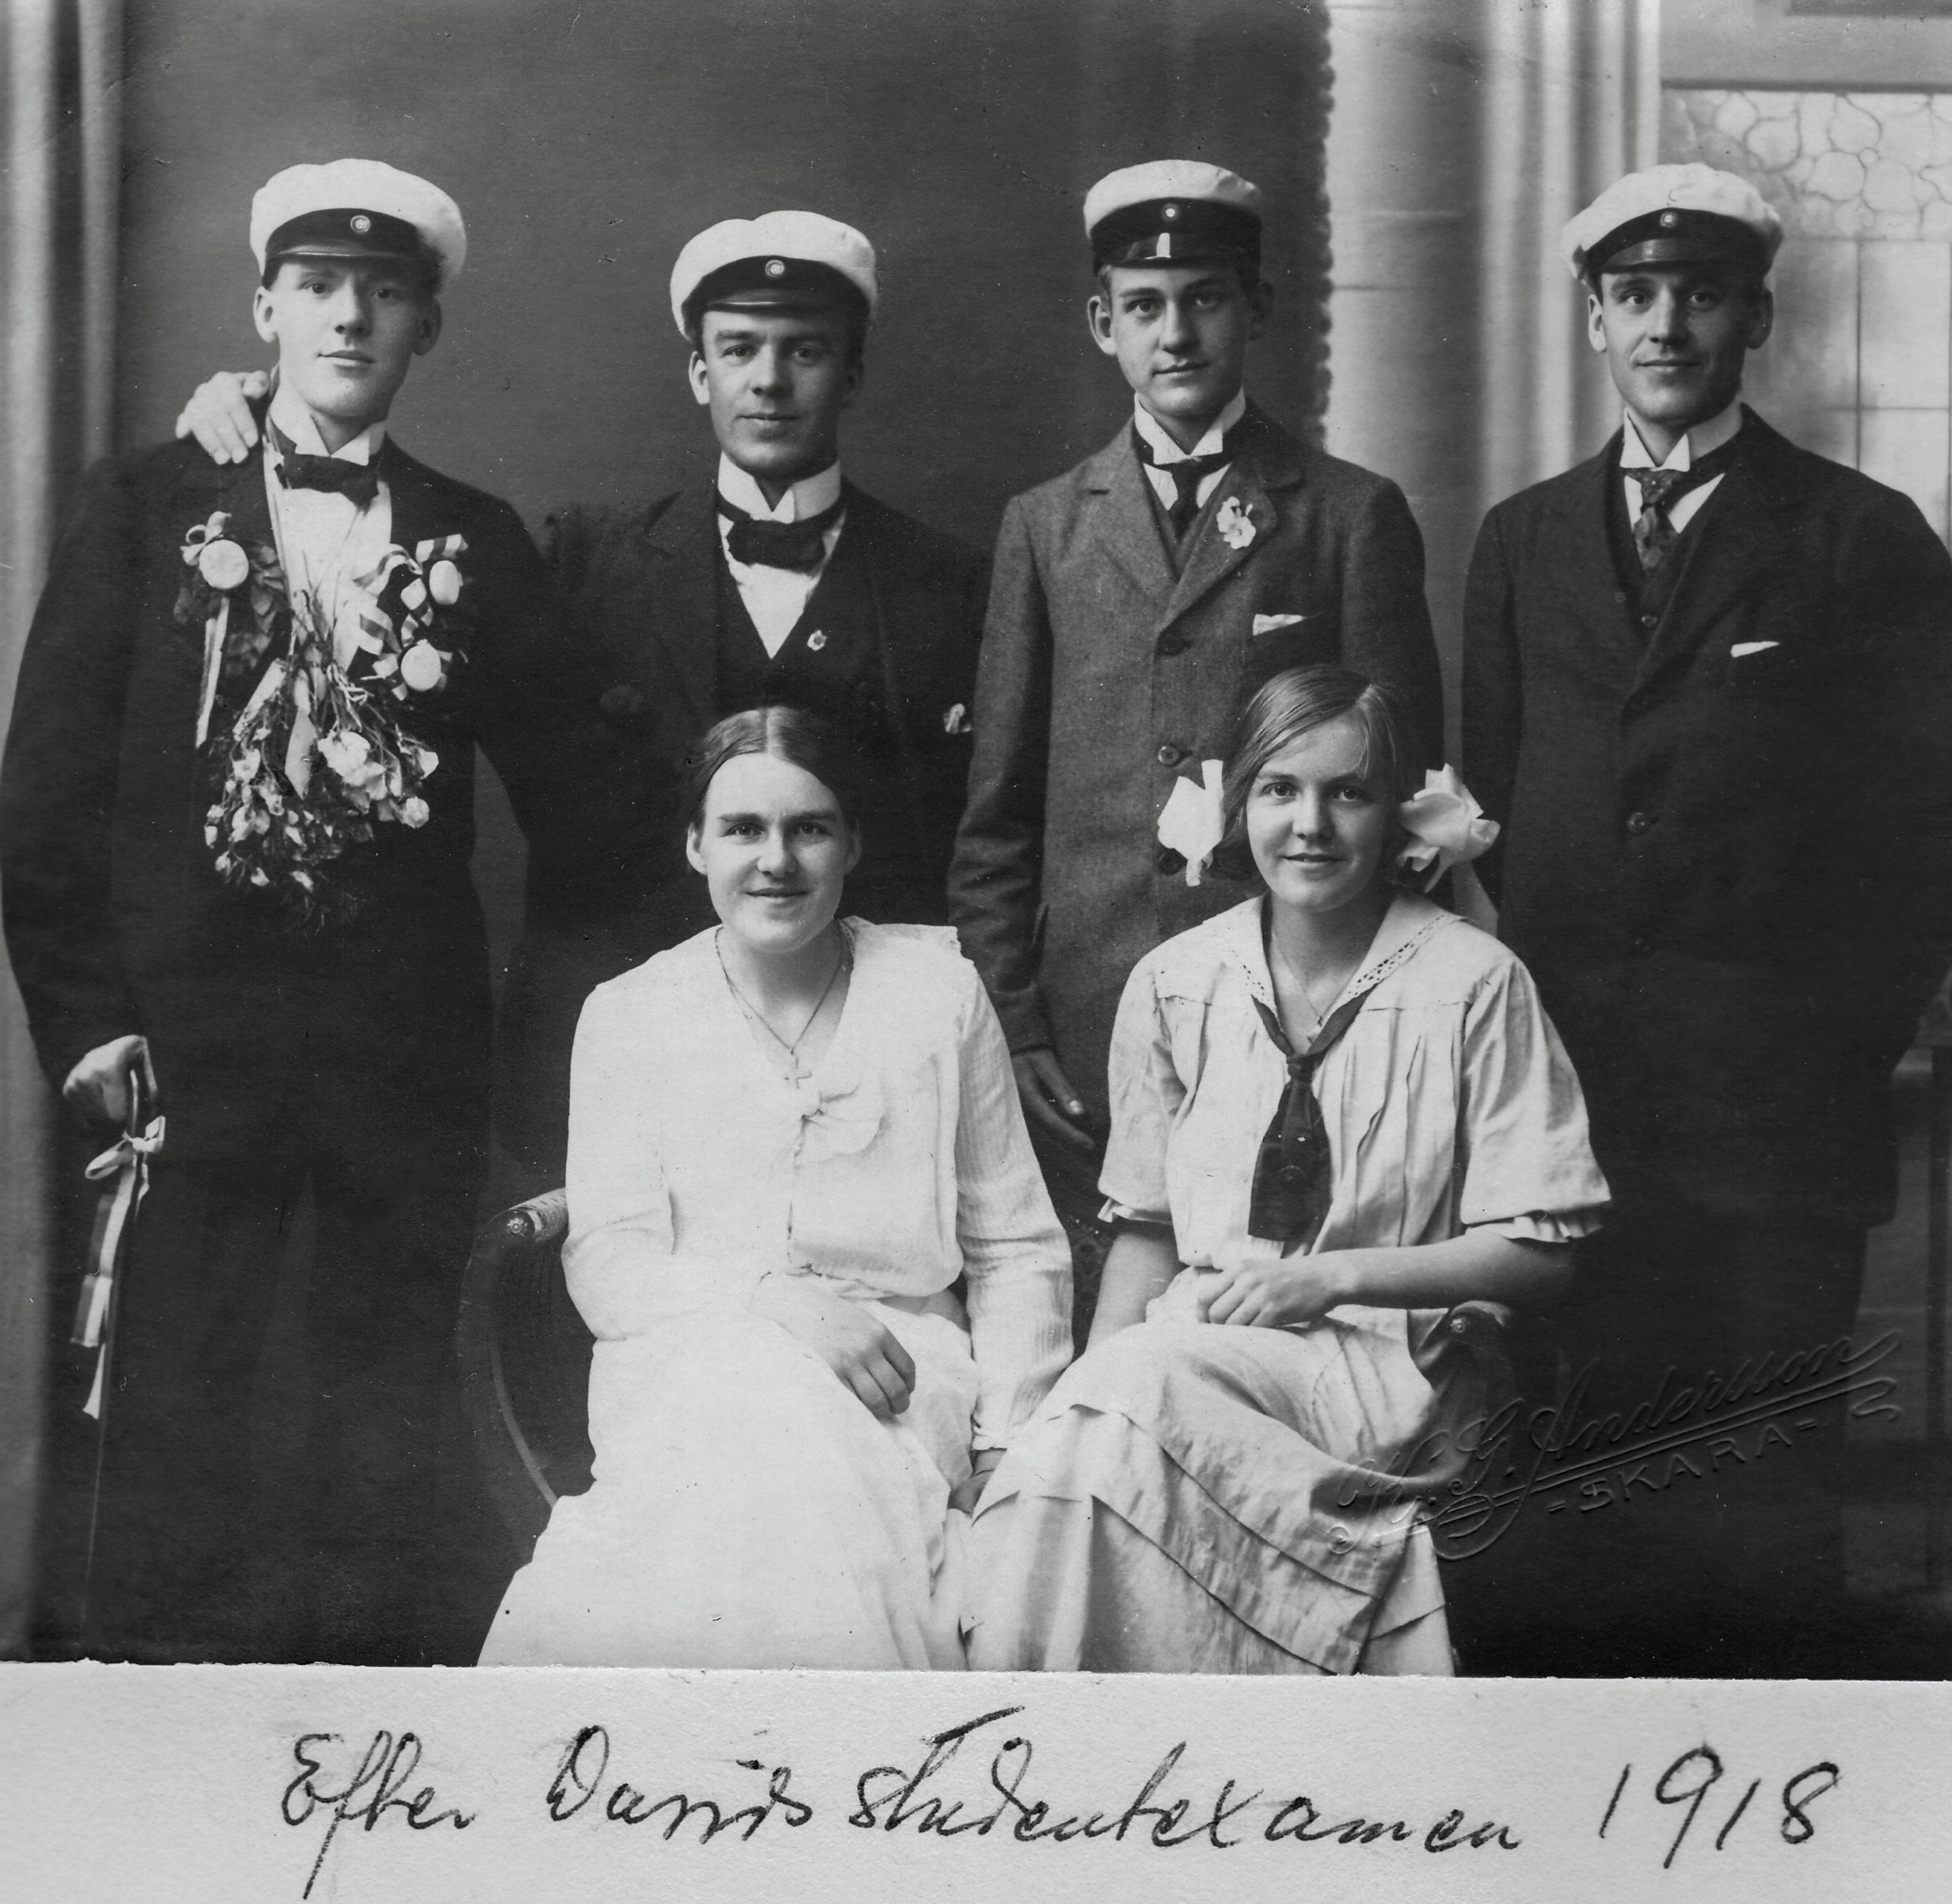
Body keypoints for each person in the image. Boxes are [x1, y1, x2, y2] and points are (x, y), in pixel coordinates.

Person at [0, 160, 563, 1663]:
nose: (349, 317)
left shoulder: (477, 538)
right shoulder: (149, 506)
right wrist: (87, 1018)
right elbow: (47, 788)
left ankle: (368, 1736)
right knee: (175, 1390)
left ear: (426, 327)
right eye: (318, 287)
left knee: (384, 1404)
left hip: (402, 1049)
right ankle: (151, 1728)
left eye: (384, 293)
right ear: (266, 310)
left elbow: (588, 795)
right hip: (190, 1042)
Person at [176, 210, 987, 1187]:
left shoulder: (944, 584)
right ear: (700, 373)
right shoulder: (583, 555)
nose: (769, 381)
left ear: (850, 375)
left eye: (805, 351)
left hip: (856, 1066)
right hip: (628, 1057)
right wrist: (255, 398)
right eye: (738, 349)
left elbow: (974, 843)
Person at [1461, 163, 1952, 1674]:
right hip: (1575, 1117)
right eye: (1635, 296)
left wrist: (1832, 1045)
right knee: (1581, 1491)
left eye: (1700, 295)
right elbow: (1493, 802)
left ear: (1757, 318)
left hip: (1775, 1122)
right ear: (1594, 320)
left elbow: (1924, 836)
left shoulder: (1861, 537)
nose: (1665, 324)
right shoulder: (1523, 540)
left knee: (1764, 1499)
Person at [965, 665, 1607, 1674]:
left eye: (1347, 793)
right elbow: (1148, 1229)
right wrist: (1080, 1393)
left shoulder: (1474, 983)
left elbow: (1542, 1256)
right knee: (1084, 1440)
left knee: (1136, 1397)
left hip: (1390, 1366)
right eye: (1279, 790)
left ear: (1394, 813)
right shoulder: (1176, 982)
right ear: (1239, 804)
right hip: (1189, 1353)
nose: (1310, 824)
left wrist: (1328, 1278)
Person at [478, 706, 1071, 1669]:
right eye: (743, 829)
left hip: (897, 1369)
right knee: (759, 1417)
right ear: (695, 847)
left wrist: (1004, 1441)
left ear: (852, 844)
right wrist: (770, 1302)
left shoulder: (937, 994)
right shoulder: (631, 1014)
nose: (776, 861)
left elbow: (1014, 1245)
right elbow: (612, 1261)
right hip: (689, 1361)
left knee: (788, 1451)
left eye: (809, 828)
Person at [948, 160, 1444, 1284]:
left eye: (1204, 298)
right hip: (1087, 1021)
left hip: (1289, 1005)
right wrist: (1016, 1028)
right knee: (1097, 1312)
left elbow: (1402, 800)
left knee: (1263, 1303)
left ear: (1254, 308)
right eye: (1143, 306)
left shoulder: (1346, 515)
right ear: (1102, 324)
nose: (1174, 334)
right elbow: (996, 818)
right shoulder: (1044, 528)